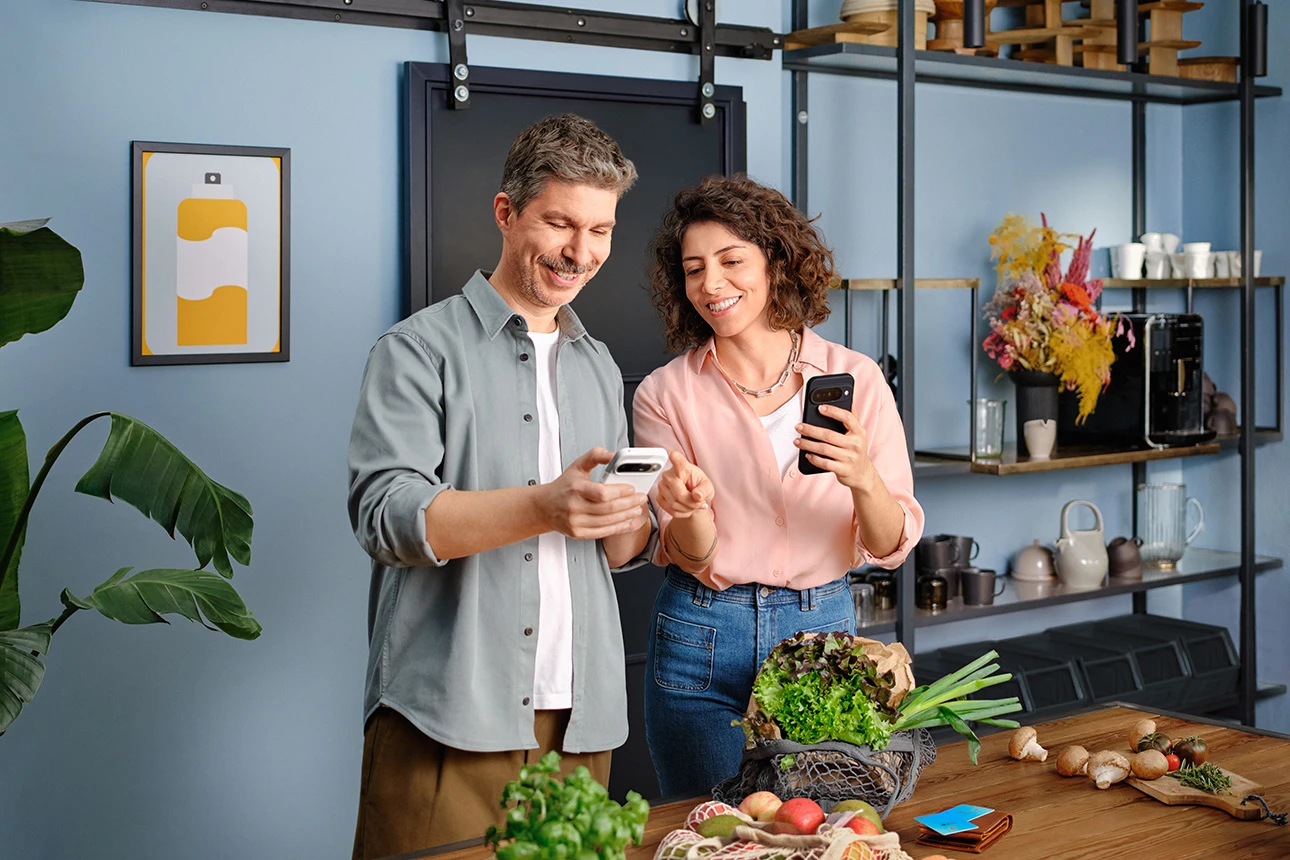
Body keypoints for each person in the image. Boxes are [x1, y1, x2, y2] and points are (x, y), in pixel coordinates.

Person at [347, 114, 655, 859]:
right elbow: (385, 517)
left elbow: (616, 552)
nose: (581, 252)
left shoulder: (597, 364)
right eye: (560, 223)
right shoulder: (416, 350)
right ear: (506, 212)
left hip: (579, 721)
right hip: (448, 715)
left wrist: (647, 511)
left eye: (601, 230)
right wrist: (543, 506)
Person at [632, 174, 925, 798]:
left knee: (820, 828)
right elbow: (693, 554)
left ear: (775, 262)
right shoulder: (665, 394)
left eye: (731, 260)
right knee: (712, 829)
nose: (711, 284)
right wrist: (690, 509)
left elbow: (891, 544)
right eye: (693, 269)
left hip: (821, 630)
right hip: (702, 634)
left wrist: (862, 477)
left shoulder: (855, 377)